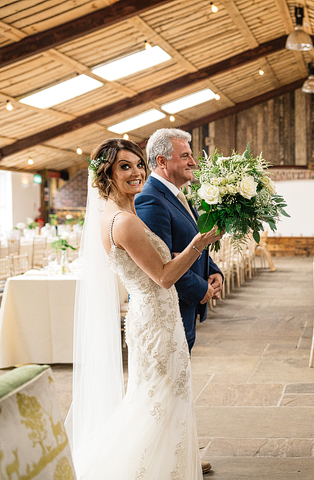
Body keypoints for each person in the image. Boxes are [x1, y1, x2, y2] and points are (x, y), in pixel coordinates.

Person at [66, 138, 223, 478]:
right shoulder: (123, 221)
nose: (137, 172)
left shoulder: (126, 212)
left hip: (155, 316)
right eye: (125, 166)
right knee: (157, 399)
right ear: (107, 173)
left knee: (161, 397)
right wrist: (198, 244)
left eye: (139, 164)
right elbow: (164, 277)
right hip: (155, 320)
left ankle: (169, 462)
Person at [135, 128, 223, 353]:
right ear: (162, 161)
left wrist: (213, 271)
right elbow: (161, 265)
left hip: (184, 309)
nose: (193, 162)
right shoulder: (150, 199)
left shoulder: (177, 193)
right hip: (169, 312)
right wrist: (201, 288)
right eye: (185, 156)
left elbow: (189, 242)